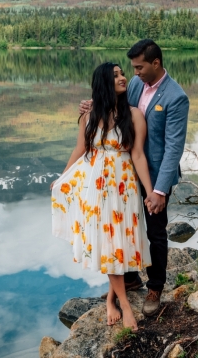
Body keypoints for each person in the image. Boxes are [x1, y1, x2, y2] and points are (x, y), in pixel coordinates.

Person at [80, 39, 189, 317]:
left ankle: (155, 287)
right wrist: (93, 105)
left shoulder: (176, 97)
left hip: (155, 174)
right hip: (124, 174)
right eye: (132, 68)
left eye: (139, 67)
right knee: (122, 226)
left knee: (154, 232)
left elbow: (173, 148)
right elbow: (116, 109)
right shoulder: (137, 84)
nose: (134, 73)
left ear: (156, 63)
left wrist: (160, 191)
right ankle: (128, 278)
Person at [51, 62, 152, 331]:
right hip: (97, 190)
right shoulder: (90, 116)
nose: (123, 78)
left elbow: (138, 155)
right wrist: (62, 177)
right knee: (109, 245)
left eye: (122, 73)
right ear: (104, 84)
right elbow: (81, 149)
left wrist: (150, 192)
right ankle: (124, 305)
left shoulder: (134, 115)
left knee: (120, 245)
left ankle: (111, 299)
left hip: (124, 190)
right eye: (116, 75)